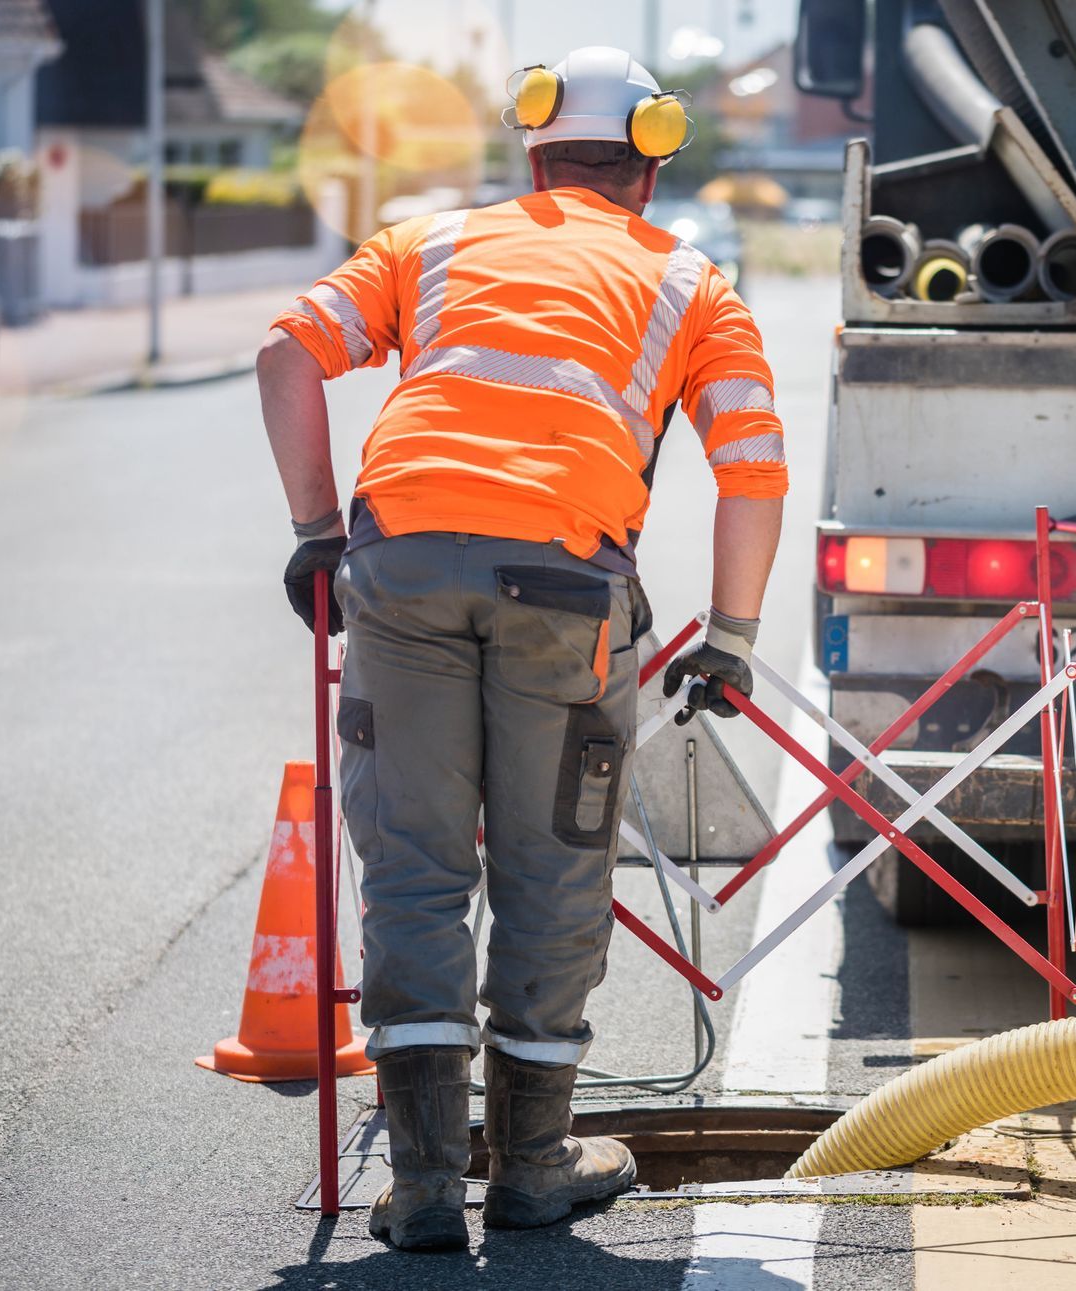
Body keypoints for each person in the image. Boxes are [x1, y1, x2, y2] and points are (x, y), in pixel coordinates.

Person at [255, 46, 785, 1252]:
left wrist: (312, 535)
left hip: (397, 567)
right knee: (551, 867)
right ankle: (533, 1165)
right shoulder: (694, 281)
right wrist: (735, 637)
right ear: (649, 164)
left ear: (533, 151)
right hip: (564, 582)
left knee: (415, 865)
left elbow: (287, 352)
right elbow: (752, 469)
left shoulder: (432, 244)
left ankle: (428, 1183)